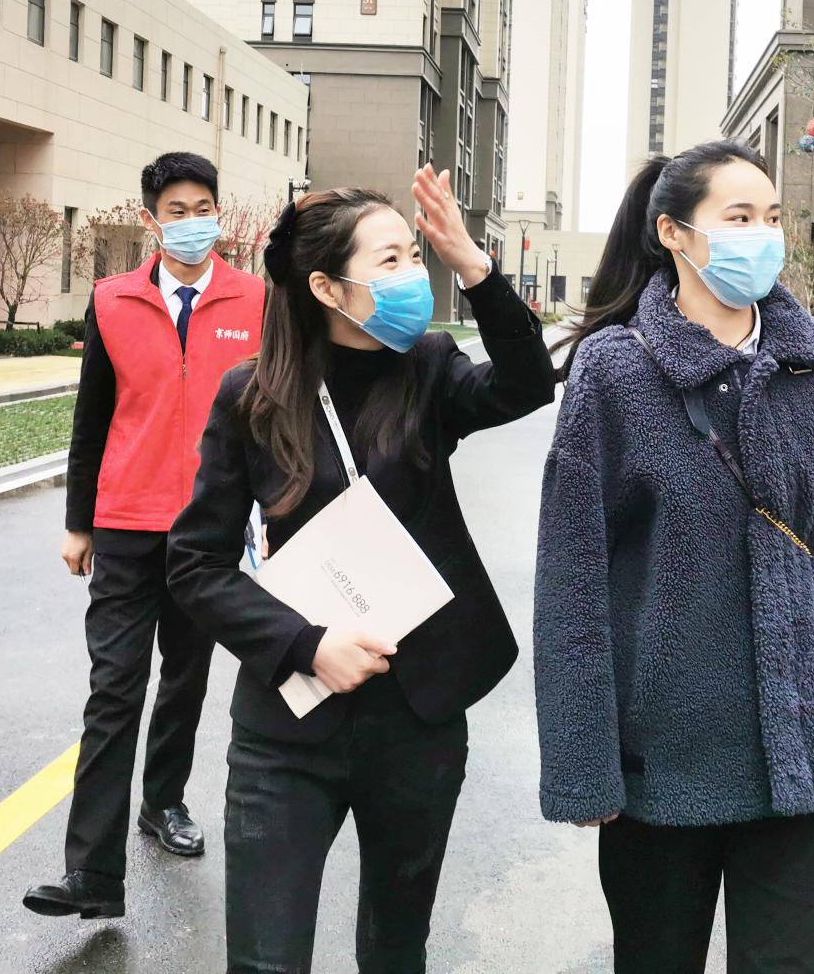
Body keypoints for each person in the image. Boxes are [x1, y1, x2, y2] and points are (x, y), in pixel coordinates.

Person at [534, 140, 814, 974]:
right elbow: (573, 584)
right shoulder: (614, 372)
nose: (762, 235)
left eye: (772, 217)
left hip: (803, 745)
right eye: (738, 217)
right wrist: (583, 764)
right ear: (674, 233)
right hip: (663, 761)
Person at [166, 166, 556, 973]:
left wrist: (473, 266)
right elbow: (196, 564)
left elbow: (526, 385)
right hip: (289, 727)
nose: (413, 274)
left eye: (415, 255)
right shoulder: (252, 397)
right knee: (266, 959)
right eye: (391, 261)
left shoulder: (430, 370)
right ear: (326, 287)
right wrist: (306, 645)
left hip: (416, 721)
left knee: (395, 948)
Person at [24, 152, 265, 921]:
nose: (193, 222)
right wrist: (78, 523)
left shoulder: (256, 300)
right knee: (114, 690)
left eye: (204, 208)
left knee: (185, 680)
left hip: (209, 532)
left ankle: (163, 802)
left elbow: (277, 415)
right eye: (177, 210)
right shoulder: (113, 300)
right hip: (126, 523)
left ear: (218, 213)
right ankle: (92, 873)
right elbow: (92, 418)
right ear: (149, 220)